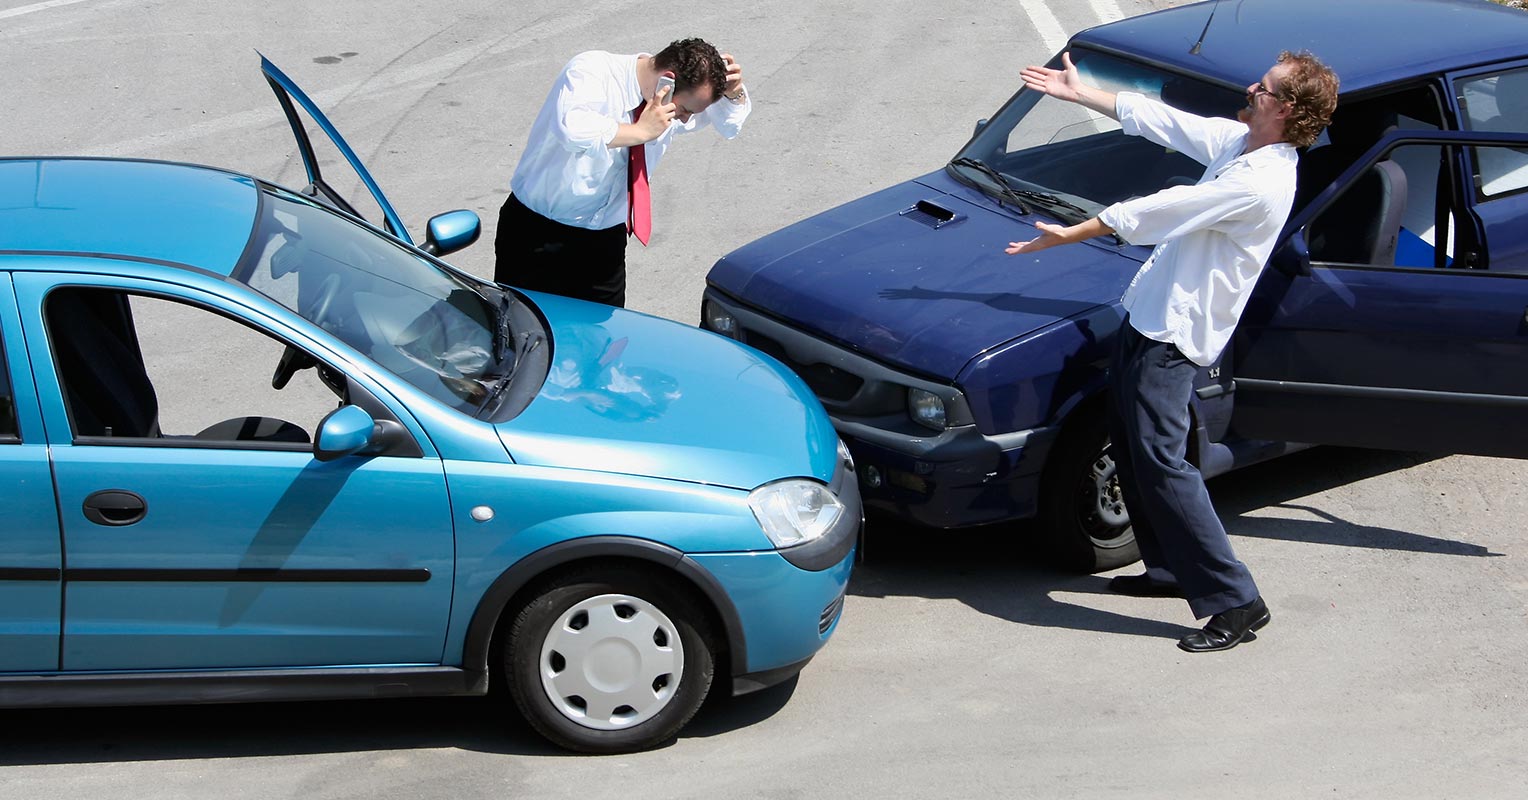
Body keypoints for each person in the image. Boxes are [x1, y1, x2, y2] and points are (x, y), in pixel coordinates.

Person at [1005, 51, 1338, 652]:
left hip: (1174, 338)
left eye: (1261, 87)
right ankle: (1166, 569)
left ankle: (1237, 601)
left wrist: (1074, 232)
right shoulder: (1242, 143)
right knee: (1136, 447)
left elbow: (1165, 208)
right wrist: (1080, 95)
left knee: (1161, 463)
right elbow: (1163, 120)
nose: (1249, 86)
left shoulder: (1258, 181)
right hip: (1151, 316)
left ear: (1285, 110)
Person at [494, 38, 751, 308]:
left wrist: (733, 93)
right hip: (537, 236)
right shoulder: (591, 70)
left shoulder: (666, 104)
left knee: (605, 340)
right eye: (685, 110)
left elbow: (729, 126)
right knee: (523, 337)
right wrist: (641, 131)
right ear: (668, 81)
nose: (685, 119)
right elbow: (573, 129)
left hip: (604, 244)